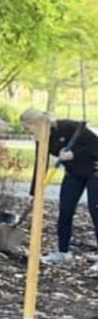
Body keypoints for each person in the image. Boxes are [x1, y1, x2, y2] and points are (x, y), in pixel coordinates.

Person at [20, 109, 98, 271]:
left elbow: (95, 145)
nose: (27, 131)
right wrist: (35, 193)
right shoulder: (41, 139)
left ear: (36, 123)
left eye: (28, 128)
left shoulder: (69, 127)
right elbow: (39, 165)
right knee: (65, 211)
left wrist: (73, 155)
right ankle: (63, 253)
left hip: (94, 171)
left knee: (95, 211)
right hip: (73, 174)